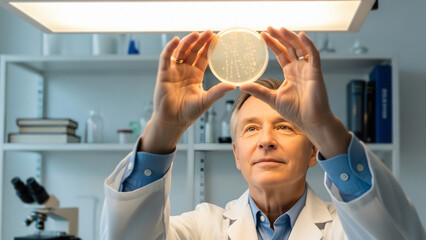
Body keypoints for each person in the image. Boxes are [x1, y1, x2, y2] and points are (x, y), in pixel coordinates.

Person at [100, 27, 425, 240]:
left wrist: (322, 123)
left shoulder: (345, 229)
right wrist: (164, 130)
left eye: (285, 126)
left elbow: (397, 234)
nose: (266, 140)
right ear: (237, 154)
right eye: (251, 128)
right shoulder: (202, 229)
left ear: (314, 152)